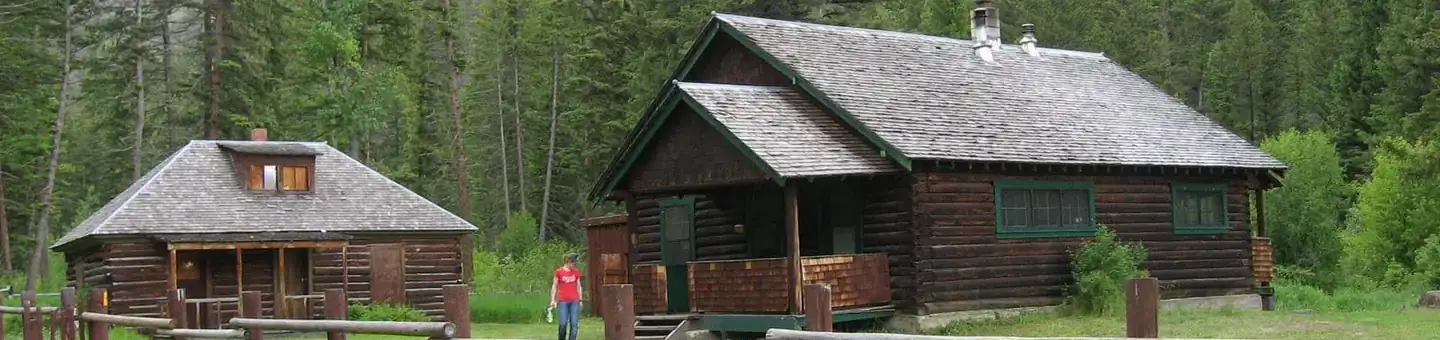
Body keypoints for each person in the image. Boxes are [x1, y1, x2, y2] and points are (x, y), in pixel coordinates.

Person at [550, 253, 583, 340]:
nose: (574, 265)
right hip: (562, 301)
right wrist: (552, 300)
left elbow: (578, 286)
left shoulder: (576, 272)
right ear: (568, 262)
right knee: (563, 323)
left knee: (574, 324)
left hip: (574, 301)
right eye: (573, 263)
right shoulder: (559, 272)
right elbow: (554, 286)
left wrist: (580, 300)